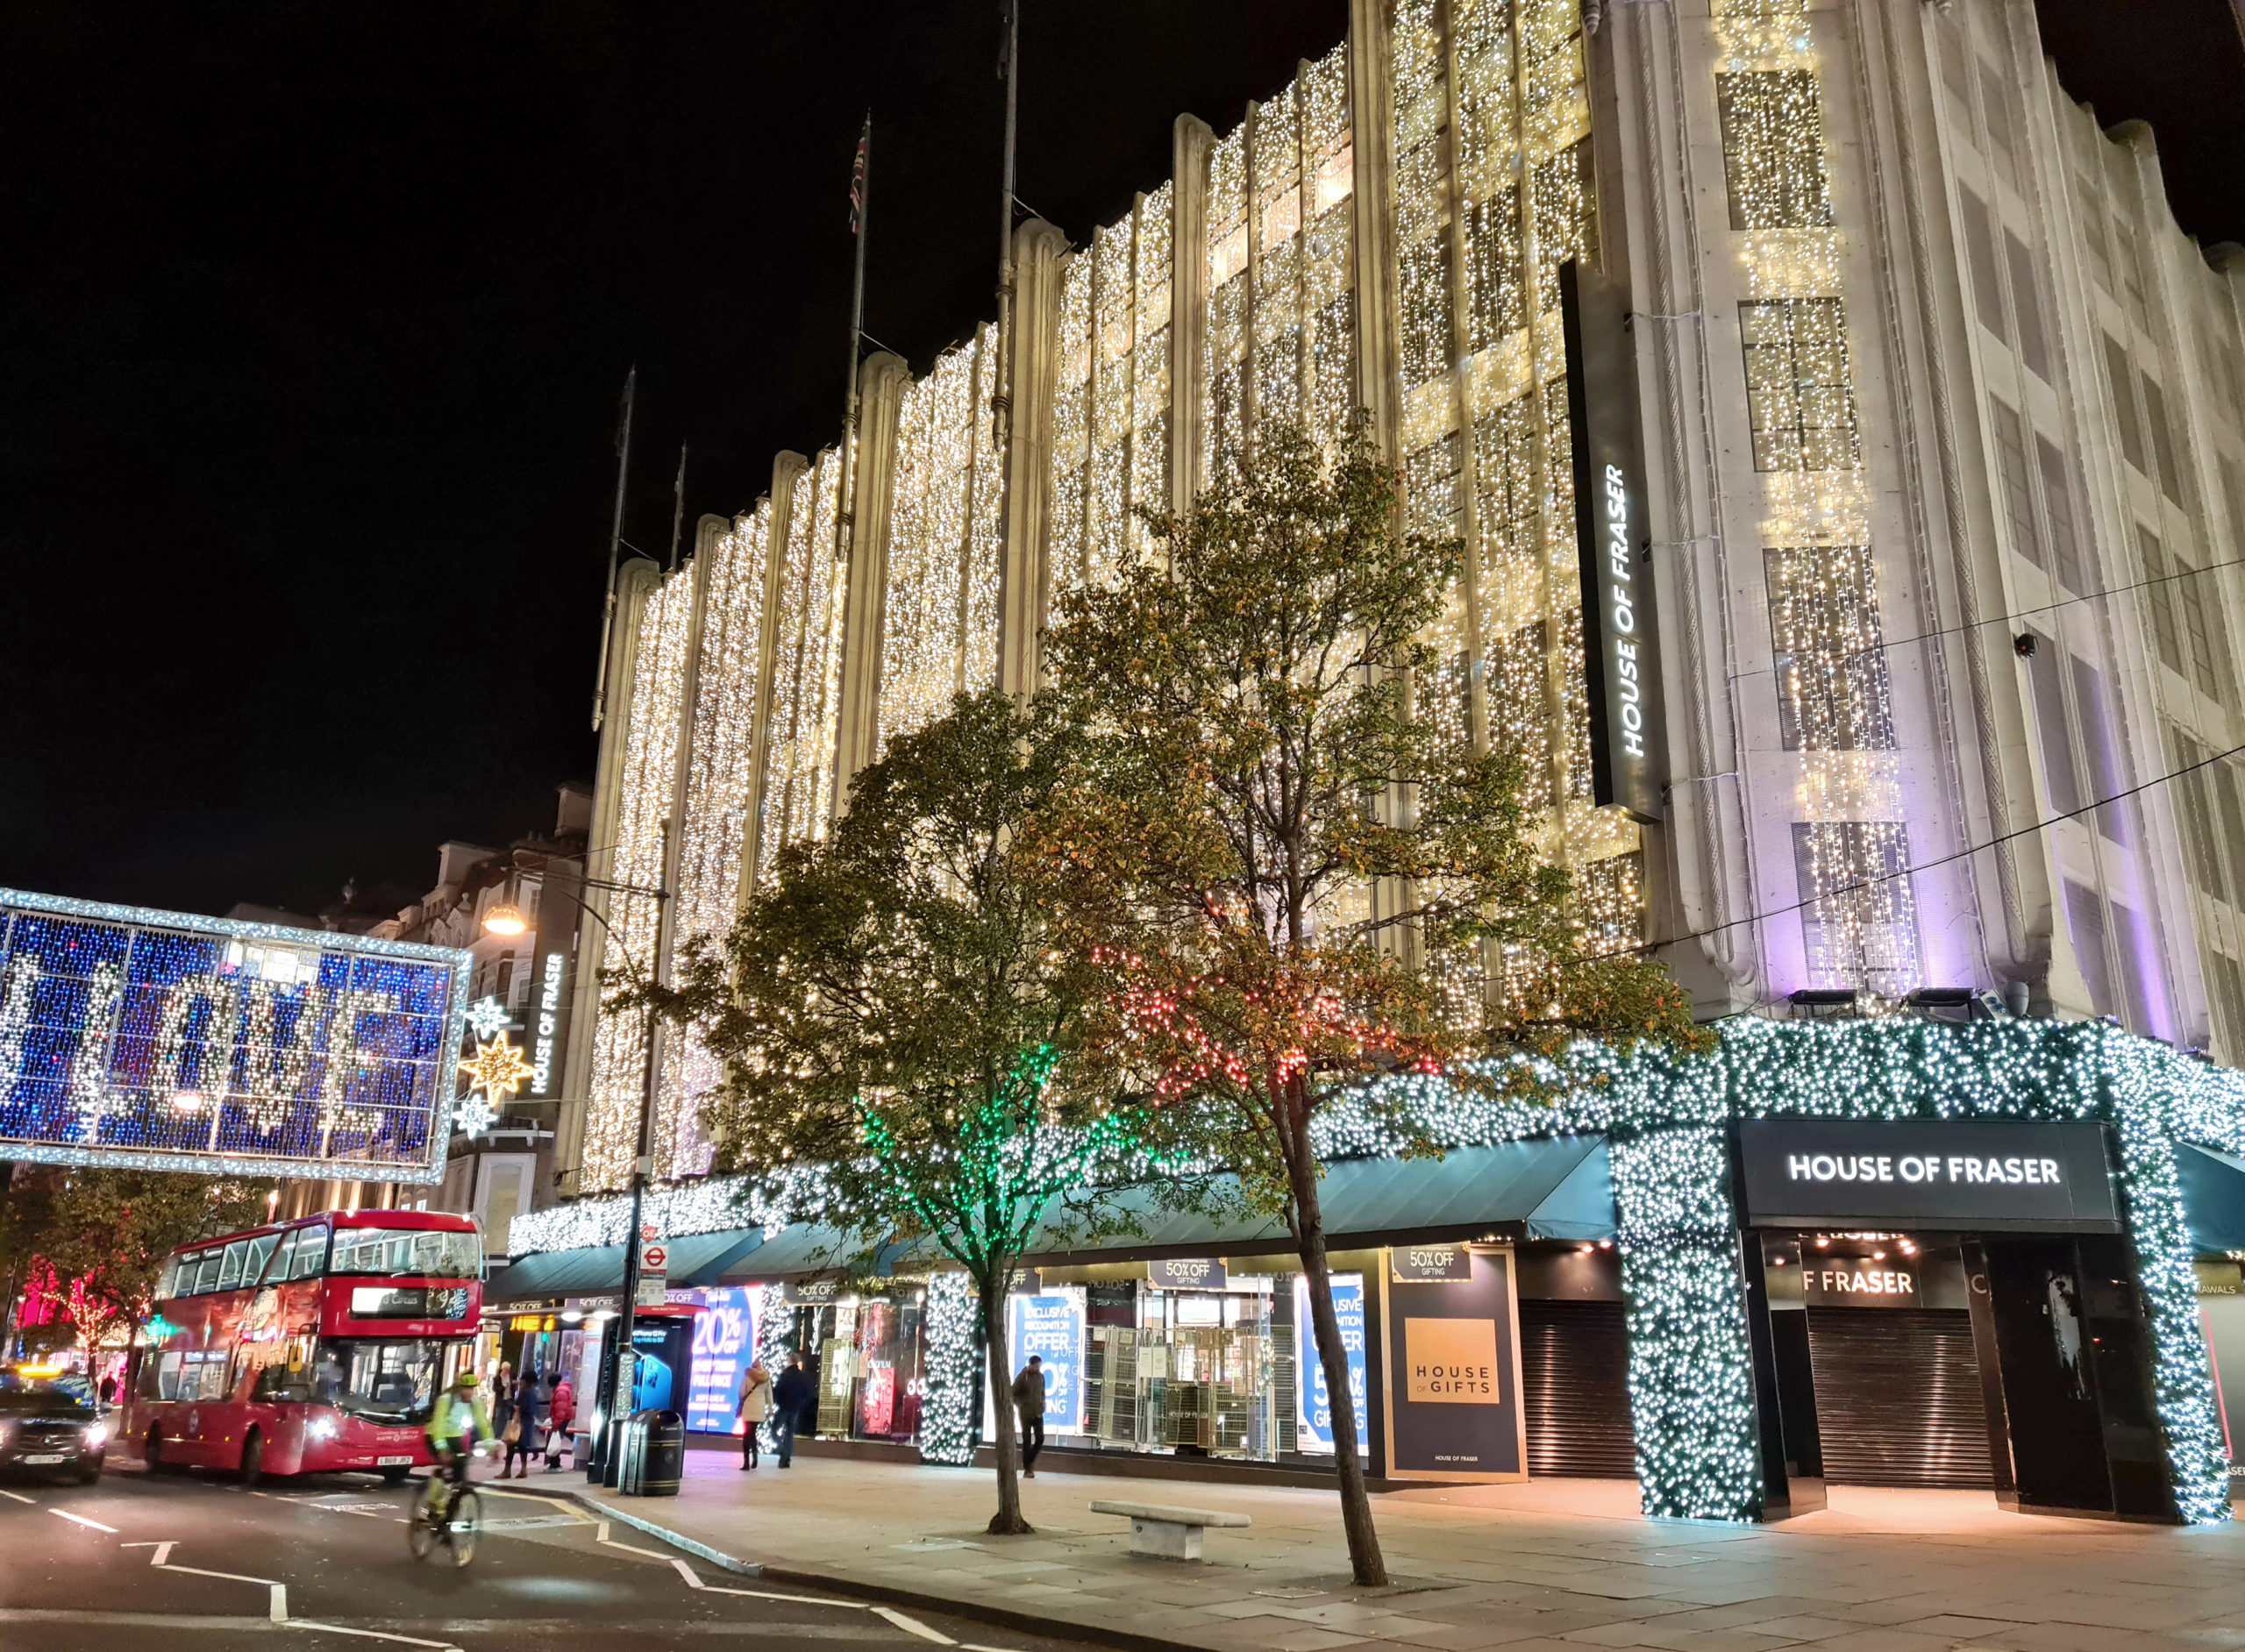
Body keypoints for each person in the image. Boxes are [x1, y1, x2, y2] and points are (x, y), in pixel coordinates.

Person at [424, 1370, 493, 1511]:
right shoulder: (446, 1400)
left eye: (472, 1389)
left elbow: (483, 1424)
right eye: (466, 1388)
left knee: (460, 1472)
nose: (469, 1392)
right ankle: (433, 1501)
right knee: (443, 1467)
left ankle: (450, 1507)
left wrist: (491, 1446)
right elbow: (438, 1425)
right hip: (434, 1436)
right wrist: (442, 1449)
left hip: (455, 1437)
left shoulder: (475, 1402)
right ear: (459, 1388)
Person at [770, 1353, 813, 1469]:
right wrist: (801, 1404)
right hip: (795, 1408)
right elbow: (809, 1393)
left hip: (784, 1407)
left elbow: (778, 1390)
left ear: (790, 1360)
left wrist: (778, 1402)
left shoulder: (785, 1375)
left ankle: (783, 1452)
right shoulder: (803, 1376)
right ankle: (786, 1458)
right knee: (789, 1433)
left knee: (774, 1430)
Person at [1011, 1354, 1047, 1478]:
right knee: (1027, 1441)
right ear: (1030, 1365)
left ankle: (1029, 1461)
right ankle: (1028, 1468)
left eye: (1039, 1366)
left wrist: (1043, 1404)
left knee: (1040, 1438)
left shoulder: (1041, 1377)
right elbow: (1012, 1392)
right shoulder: (1023, 1376)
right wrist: (1021, 1404)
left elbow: (1042, 1392)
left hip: (1038, 1413)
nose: (1038, 1368)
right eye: (1036, 1366)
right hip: (1025, 1414)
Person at [502, 1367, 540, 1478]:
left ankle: (507, 1470)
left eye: (522, 1380)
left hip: (519, 1422)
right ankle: (524, 1468)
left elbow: (518, 1407)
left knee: (511, 1445)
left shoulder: (525, 1392)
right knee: (523, 1447)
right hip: (528, 1422)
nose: (521, 1382)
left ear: (526, 1381)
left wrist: (512, 1405)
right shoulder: (534, 1393)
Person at [735, 1358, 773, 1470]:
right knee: (753, 1433)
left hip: (748, 1407)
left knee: (747, 1434)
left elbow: (741, 1392)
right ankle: (755, 1457)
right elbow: (769, 1394)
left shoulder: (748, 1376)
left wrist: (741, 1400)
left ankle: (746, 1463)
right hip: (759, 1407)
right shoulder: (765, 1377)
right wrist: (770, 1408)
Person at [489, 1369, 518, 1478]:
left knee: (506, 1419)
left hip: (508, 1401)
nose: (507, 1371)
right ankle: (498, 1435)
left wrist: (513, 1385)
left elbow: (515, 1390)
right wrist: (503, 1387)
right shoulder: (497, 1378)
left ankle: (501, 1436)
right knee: (499, 1419)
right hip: (501, 1401)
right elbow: (495, 1389)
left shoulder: (511, 1377)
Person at [544, 1372, 575, 1472]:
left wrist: (556, 1424)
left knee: (555, 1440)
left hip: (560, 1420)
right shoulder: (562, 1390)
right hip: (562, 1419)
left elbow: (560, 1411)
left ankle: (555, 1465)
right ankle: (554, 1464)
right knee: (556, 1440)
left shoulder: (560, 1392)